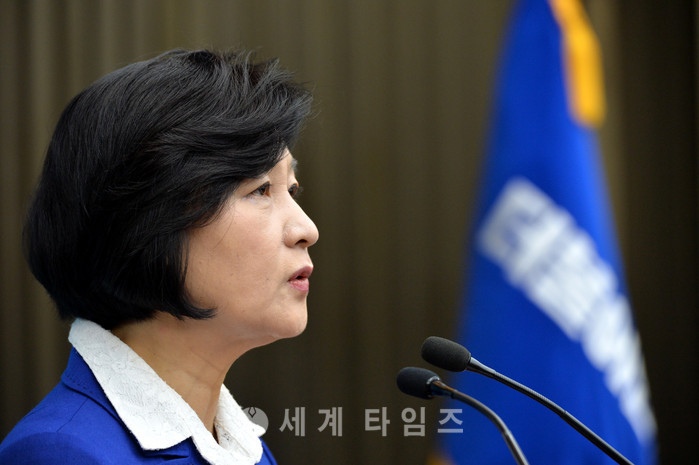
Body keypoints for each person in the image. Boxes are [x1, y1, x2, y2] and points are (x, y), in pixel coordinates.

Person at [0, 48, 319, 465]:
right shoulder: (61, 453)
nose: (307, 229)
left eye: (291, 190)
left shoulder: (242, 448)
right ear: (147, 219)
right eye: (260, 189)